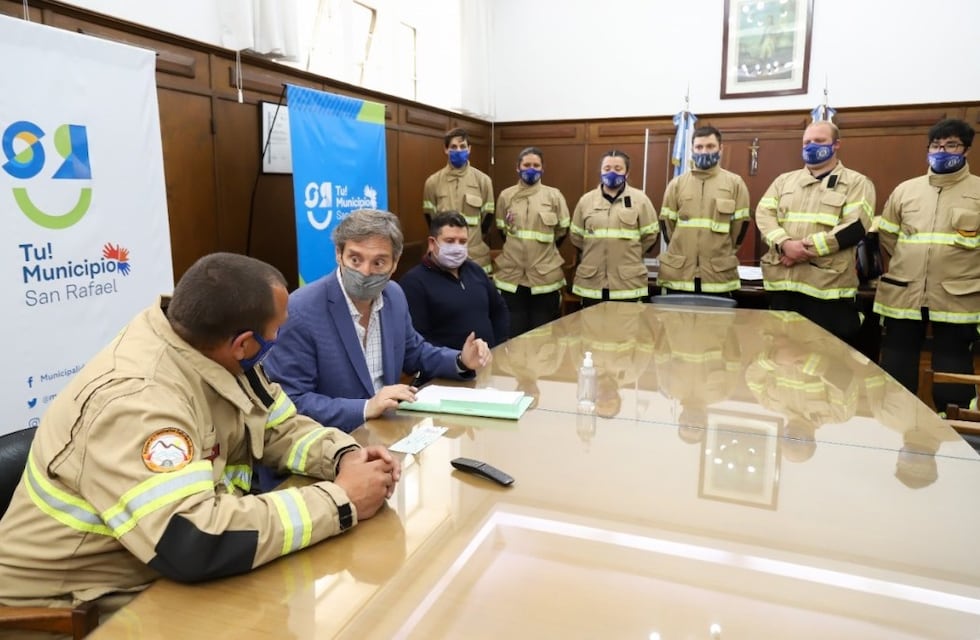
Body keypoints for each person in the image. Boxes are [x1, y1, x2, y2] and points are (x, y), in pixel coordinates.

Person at [0, 253, 400, 615]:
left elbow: (278, 426)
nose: (279, 340)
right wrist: (341, 499)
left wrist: (343, 457)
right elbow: (193, 538)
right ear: (243, 343)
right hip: (70, 608)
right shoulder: (137, 402)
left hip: (148, 574)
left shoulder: (212, 349)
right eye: (277, 330)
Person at [264, 209, 493, 433]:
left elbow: (415, 351)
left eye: (379, 263)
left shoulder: (394, 295)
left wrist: (461, 360)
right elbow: (291, 400)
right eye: (355, 259)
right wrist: (366, 407)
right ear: (338, 254)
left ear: (395, 263)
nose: (365, 272)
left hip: (387, 431)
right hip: (331, 441)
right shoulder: (301, 309)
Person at [873, 118, 980, 412]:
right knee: (896, 368)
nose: (942, 151)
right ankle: (899, 423)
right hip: (904, 294)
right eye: (935, 145)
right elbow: (888, 235)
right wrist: (912, 262)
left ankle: (954, 427)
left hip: (959, 297)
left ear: (966, 149)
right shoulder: (906, 190)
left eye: (951, 145)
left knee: (952, 373)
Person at [755, 120, 876, 345]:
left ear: (836, 144)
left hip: (827, 291)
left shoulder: (857, 183)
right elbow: (763, 216)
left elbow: (855, 227)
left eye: (819, 141)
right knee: (780, 353)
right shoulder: (784, 181)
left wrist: (801, 251)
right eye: (807, 142)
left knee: (825, 357)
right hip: (782, 286)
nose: (811, 146)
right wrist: (785, 244)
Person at [659, 125, 751, 295]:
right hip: (679, 275)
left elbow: (740, 229)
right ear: (692, 149)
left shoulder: (735, 184)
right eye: (699, 147)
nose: (704, 151)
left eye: (710, 146)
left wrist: (723, 251)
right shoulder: (677, 184)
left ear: (720, 149)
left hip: (718, 276)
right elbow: (667, 226)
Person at [400, 211, 509, 349]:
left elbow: (499, 310)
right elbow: (418, 339)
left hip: (490, 358)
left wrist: (498, 347)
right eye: (450, 241)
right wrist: (458, 359)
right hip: (450, 362)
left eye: (462, 242)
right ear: (432, 243)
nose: (457, 248)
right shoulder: (414, 283)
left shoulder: (475, 270)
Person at [493, 146, 571, 335]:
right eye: (527, 165)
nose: (531, 169)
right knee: (514, 333)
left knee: (542, 334)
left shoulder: (554, 196)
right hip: (512, 277)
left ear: (543, 169)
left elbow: (562, 230)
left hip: (545, 276)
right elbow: (502, 229)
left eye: (536, 165)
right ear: (518, 167)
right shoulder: (506, 196)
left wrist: (543, 251)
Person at [570, 149, 659, 306]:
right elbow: (576, 237)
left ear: (627, 173)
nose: (612, 172)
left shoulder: (640, 200)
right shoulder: (586, 201)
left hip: (628, 284)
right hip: (592, 284)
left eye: (618, 169)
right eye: (607, 168)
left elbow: (650, 236)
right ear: (601, 171)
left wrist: (628, 251)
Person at [422, 127, 495, 273]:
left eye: (462, 146)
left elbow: (488, 218)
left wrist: (472, 239)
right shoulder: (433, 182)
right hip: (444, 256)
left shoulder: (483, 180)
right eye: (454, 147)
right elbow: (431, 218)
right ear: (446, 149)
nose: (459, 150)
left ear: (469, 149)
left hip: (475, 255)